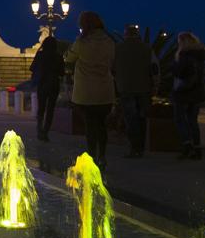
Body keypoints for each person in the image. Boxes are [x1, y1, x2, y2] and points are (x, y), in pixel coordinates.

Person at [64, 12, 116, 167]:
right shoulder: (109, 41)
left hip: (86, 92)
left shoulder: (82, 42)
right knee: (101, 124)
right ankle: (102, 156)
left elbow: (69, 58)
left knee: (90, 125)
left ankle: (92, 155)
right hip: (105, 90)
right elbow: (112, 60)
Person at [114, 25, 155, 157]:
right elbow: (155, 69)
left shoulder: (118, 49)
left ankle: (134, 148)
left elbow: (112, 68)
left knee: (130, 119)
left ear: (125, 34)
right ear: (137, 34)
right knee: (142, 118)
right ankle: (141, 148)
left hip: (126, 88)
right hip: (144, 88)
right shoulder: (147, 49)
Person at [171, 31, 205, 159]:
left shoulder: (184, 56)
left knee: (180, 120)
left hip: (183, 92)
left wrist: (175, 66)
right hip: (196, 93)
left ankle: (187, 145)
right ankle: (197, 148)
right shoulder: (200, 56)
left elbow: (179, 72)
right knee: (193, 121)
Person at [30, 36, 65, 141]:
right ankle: (45, 132)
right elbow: (61, 73)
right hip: (54, 84)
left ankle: (39, 129)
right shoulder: (58, 56)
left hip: (42, 84)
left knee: (41, 108)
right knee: (50, 110)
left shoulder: (40, 55)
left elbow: (32, 68)